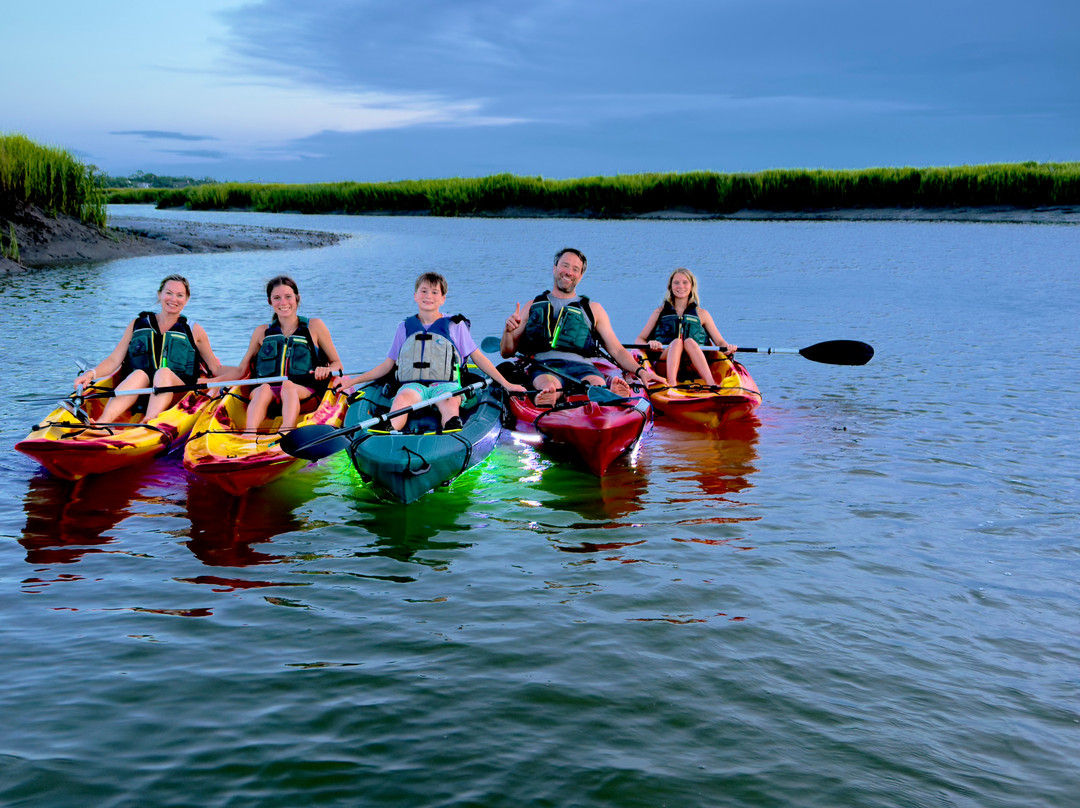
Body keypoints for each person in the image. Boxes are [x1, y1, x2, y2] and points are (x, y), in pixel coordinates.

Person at [335, 272, 526, 431]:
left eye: (435, 292)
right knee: (401, 400)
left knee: (449, 402)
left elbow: (478, 357)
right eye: (423, 291)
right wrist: (352, 382)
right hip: (414, 386)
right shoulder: (404, 327)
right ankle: (390, 429)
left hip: (446, 386)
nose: (428, 296)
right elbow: (387, 365)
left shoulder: (454, 326)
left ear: (443, 299)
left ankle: (451, 426)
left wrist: (507, 384)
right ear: (415, 296)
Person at [500, 247, 663, 406]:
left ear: (581, 276)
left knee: (595, 381)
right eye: (565, 265)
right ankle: (549, 394)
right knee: (549, 385)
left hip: (583, 367)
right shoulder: (532, 306)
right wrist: (508, 332)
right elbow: (507, 352)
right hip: (544, 366)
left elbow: (617, 350)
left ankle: (607, 387)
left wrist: (641, 372)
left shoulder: (593, 309)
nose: (569, 272)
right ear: (555, 268)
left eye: (575, 269)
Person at [72, 274, 227, 425]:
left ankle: (150, 422)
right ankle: (103, 422)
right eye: (168, 293)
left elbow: (215, 368)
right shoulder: (137, 324)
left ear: (186, 300)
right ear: (159, 295)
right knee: (139, 374)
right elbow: (114, 359)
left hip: (178, 396)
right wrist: (90, 374)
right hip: (142, 394)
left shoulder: (194, 330)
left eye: (180, 295)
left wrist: (244, 371)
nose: (173, 299)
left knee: (163, 372)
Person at [228, 275, 344, 434]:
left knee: (288, 386)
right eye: (276, 298)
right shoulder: (262, 332)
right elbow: (242, 370)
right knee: (263, 388)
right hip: (268, 398)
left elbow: (337, 363)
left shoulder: (315, 326)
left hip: (304, 396)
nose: (283, 303)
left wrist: (327, 370)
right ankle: (249, 435)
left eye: (288, 296)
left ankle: (287, 432)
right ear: (270, 301)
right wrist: (214, 382)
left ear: (297, 298)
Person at [634, 267, 737, 387]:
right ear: (670, 287)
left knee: (689, 342)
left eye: (685, 282)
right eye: (676, 283)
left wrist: (728, 347)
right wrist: (650, 344)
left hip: (693, 368)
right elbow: (639, 339)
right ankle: (671, 384)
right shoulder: (659, 312)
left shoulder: (702, 314)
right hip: (664, 366)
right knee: (677, 342)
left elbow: (719, 341)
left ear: (692, 286)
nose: (680, 286)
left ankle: (711, 383)